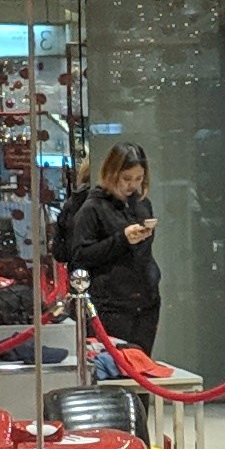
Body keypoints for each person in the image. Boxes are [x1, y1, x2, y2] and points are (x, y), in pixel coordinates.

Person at [60, 142, 161, 362]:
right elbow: (80, 255)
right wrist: (121, 239)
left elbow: (144, 254)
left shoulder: (142, 205)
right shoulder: (92, 208)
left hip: (145, 302)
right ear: (112, 173)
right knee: (114, 367)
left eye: (139, 178)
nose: (132, 185)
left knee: (141, 366)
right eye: (126, 178)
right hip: (109, 305)